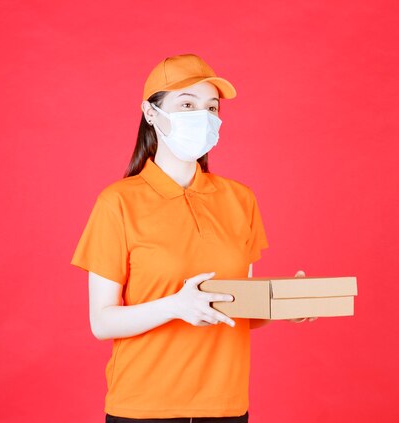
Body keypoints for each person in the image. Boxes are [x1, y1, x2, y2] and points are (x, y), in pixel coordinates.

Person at [70, 53, 317, 423]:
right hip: (143, 409)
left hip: (225, 406)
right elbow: (102, 322)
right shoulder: (118, 203)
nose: (202, 116)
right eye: (187, 104)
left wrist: (282, 305)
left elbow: (236, 307)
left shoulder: (240, 199)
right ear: (151, 113)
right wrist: (175, 306)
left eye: (211, 107)